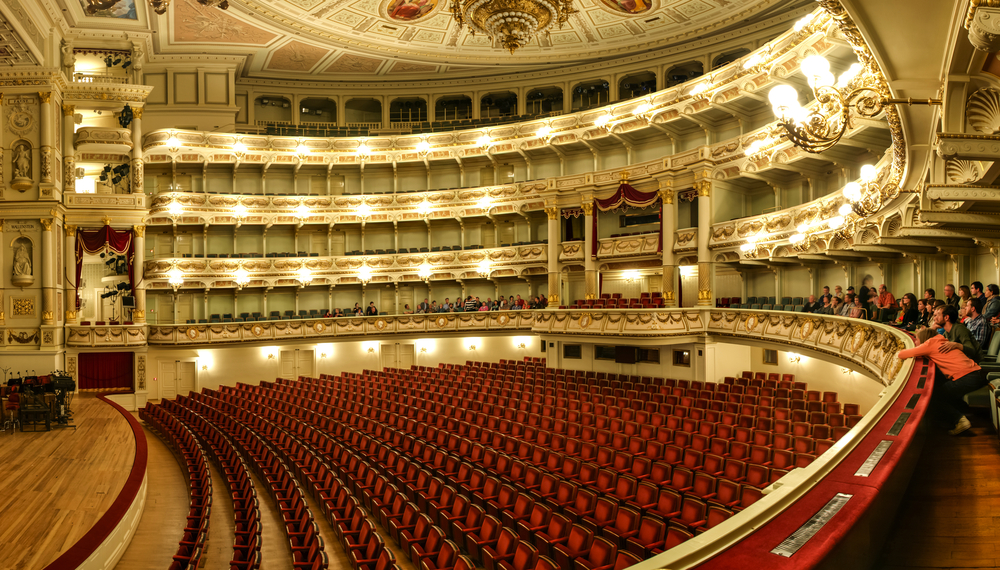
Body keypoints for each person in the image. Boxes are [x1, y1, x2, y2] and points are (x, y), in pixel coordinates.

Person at [898, 327, 988, 435]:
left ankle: (960, 420)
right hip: (978, 374)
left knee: (933, 397)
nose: (916, 342)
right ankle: (959, 415)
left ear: (923, 339)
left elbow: (902, 354)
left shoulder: (930, 344)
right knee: (941, 388)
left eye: (916, 339)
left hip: (967, 377)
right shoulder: (941, 340)